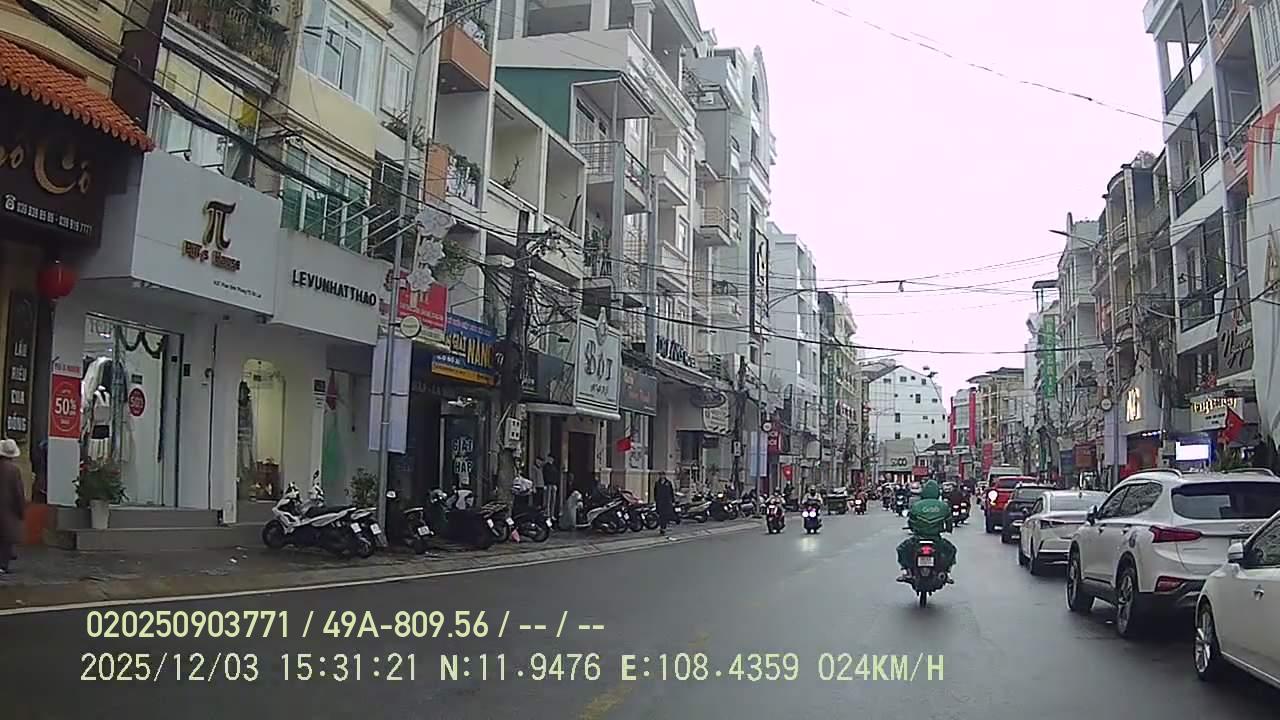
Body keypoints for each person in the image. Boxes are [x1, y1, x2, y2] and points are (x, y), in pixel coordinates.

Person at [896, 480, 956, 581]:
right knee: (951, 550)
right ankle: (945, 572)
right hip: (936, 539)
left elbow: (911, 521)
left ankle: (907, 572)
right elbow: (949, 522)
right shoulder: (943, 506)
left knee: (902, 549)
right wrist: (948, 529)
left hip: (919, 538)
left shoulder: (917, 505)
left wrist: (913, 527)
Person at [0, 438, 26, 575]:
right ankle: (2, 565)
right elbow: (18, 492)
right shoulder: (14, 470)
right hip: (8, 509)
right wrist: (21, 510)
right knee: (6, 538)